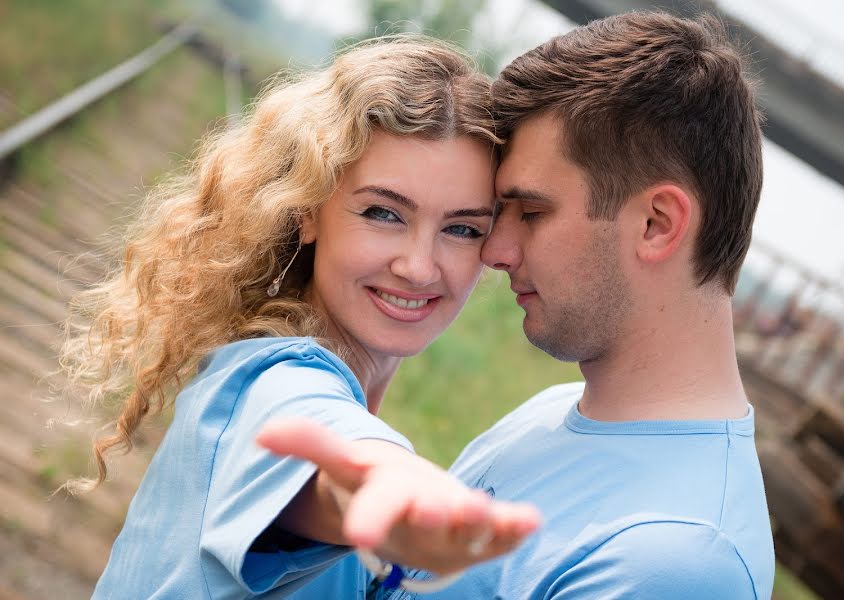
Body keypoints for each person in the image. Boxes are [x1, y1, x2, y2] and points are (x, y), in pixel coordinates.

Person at [258, 11, 776, 599]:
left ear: (657, 224)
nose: (496, 251)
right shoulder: (553, 414)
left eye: (531, 213)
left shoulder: (676, 560)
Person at [58, 37, 541, 599]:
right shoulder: (271, 384)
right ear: (309, 210)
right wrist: (387, 490)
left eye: (461, 228)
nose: (417, 266)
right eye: (383, 213)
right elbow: (330, 461)